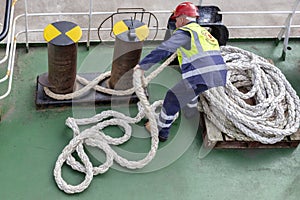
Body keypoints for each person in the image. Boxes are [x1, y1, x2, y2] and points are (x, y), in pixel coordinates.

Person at [134, 2, 227, 142]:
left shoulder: (186, 32)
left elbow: (165, 49)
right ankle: (190, 112)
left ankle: (161, 131)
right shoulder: (202, 32)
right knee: (192, 89)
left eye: (176, 19)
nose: (176, 22)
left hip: (201, 74)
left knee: (172, 97)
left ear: (183, 19)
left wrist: (142, 66)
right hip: (219, 73)